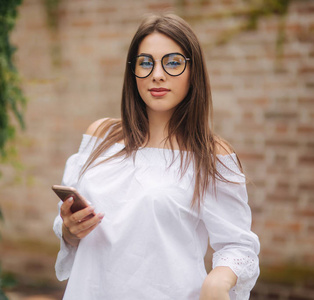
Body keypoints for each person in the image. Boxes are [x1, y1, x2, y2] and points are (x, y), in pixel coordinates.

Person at [53, 13, 260, 300]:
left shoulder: (210, 155)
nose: (157, 74)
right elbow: (69, 229)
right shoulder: (101, 135)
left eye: (173, 62)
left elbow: (238, 246)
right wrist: (70, 230)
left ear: (194, 71)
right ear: (133, 71)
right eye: (145, 62)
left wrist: (217, 282)